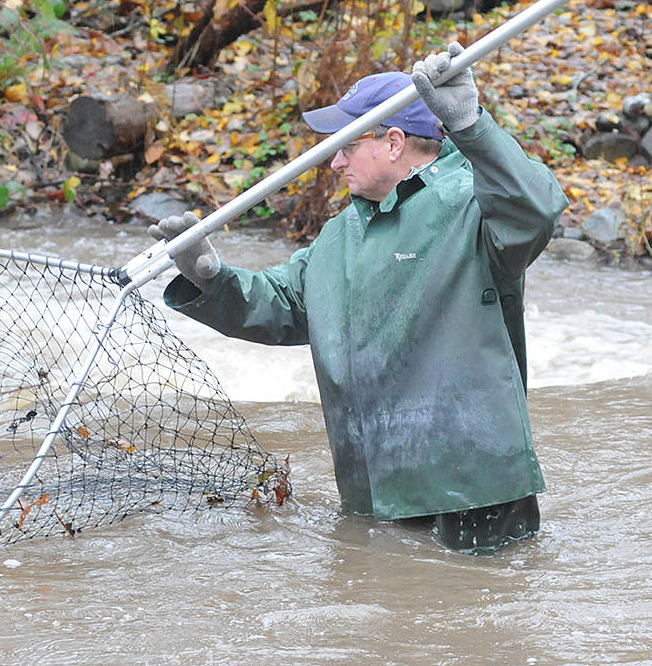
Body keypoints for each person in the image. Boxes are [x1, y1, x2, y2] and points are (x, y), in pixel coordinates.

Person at [149, 42, 568, 553]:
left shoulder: (473, 202)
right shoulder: (340, 234)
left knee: (477, 614)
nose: (333, 162)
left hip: (473, 488)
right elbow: (283, 306)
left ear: (393, 142)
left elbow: (536, 210)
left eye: (345, 145)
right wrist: (211, 278)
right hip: (374, 488)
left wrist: (471, 124)